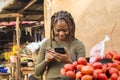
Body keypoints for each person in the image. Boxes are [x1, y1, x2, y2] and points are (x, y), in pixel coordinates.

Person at [34, 10, 86, 80]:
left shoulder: (78, 45)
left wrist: (68, 61)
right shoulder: (47, 43)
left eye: (65, 30)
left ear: (71, 28)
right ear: (53, 29)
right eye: (57, 30)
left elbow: (84, 71)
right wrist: (46, 60)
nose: (61, 34)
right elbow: (37, 72)